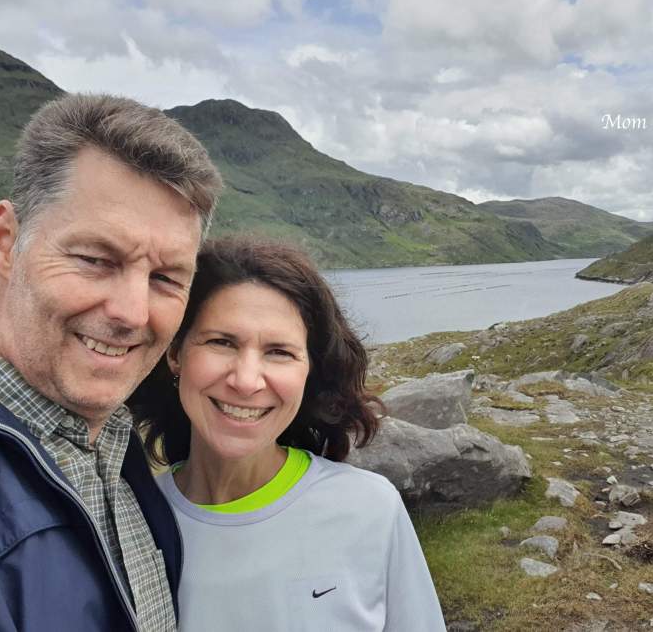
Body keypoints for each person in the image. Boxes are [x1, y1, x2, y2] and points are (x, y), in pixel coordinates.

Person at [0, 93, 222, 632]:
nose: (132, 313)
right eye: (94, 260)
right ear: (5, 242)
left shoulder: (112, 442)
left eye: (165, 279)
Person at [130, 237, 447, 631]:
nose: (246, 381)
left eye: (279, 351)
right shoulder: (131, 518)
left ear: (309, 370)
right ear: (176, 354)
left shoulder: (368, 508)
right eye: (221, 342)